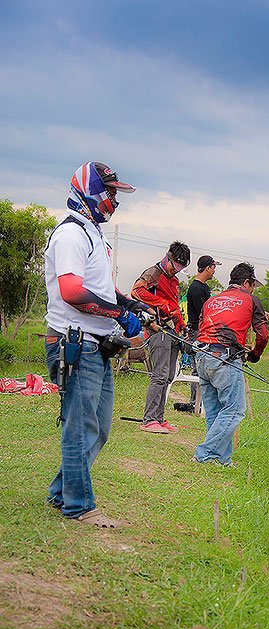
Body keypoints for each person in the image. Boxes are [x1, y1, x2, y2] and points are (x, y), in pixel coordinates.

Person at [44, 161, 148, 528]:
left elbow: (100, 288)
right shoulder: (71, 234)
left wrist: (128, 303)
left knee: (99, 427)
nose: (115, 202)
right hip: (75, 344)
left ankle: (62, 490)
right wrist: (119, 314)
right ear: (89, 190)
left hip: (95, 345)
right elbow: (71, 291)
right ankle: (79, 505)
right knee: (80, 426)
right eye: (111, 193)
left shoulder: (93, 234)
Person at [192, 262, 269, 466]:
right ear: (246, 282)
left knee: (216, 412)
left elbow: (200, 326)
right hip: (225, 357)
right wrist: (255, 355)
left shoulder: (211, 300)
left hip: (201, 355)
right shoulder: (251, 300)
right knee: (234, 410)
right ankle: (204, 453)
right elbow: (263, 335)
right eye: (252, 285)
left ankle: (223, 460)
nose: (253, 289)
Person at [131, 241, 191, 434]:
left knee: (169, 376)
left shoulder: (174, 280)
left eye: (182, 267)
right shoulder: (153, 273)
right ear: (168, 257)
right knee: (159, 375)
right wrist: (161, 304)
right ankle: (149, 419)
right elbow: (136, 291)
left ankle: (159, 418)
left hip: (173, 331)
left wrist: (182, 325)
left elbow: (174, 306)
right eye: (177, 265)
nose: (178, 270)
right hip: (158, 329)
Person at [186, 254, 222, 409]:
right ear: (207, 268)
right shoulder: (196, 289)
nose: (214, 271)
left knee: (203, 367)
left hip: (202, 331)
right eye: (213, 267)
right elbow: (204, 314)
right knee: (198, 368)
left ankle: (199, 402)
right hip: (197, 332)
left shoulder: (204, 288)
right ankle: (195, 402)